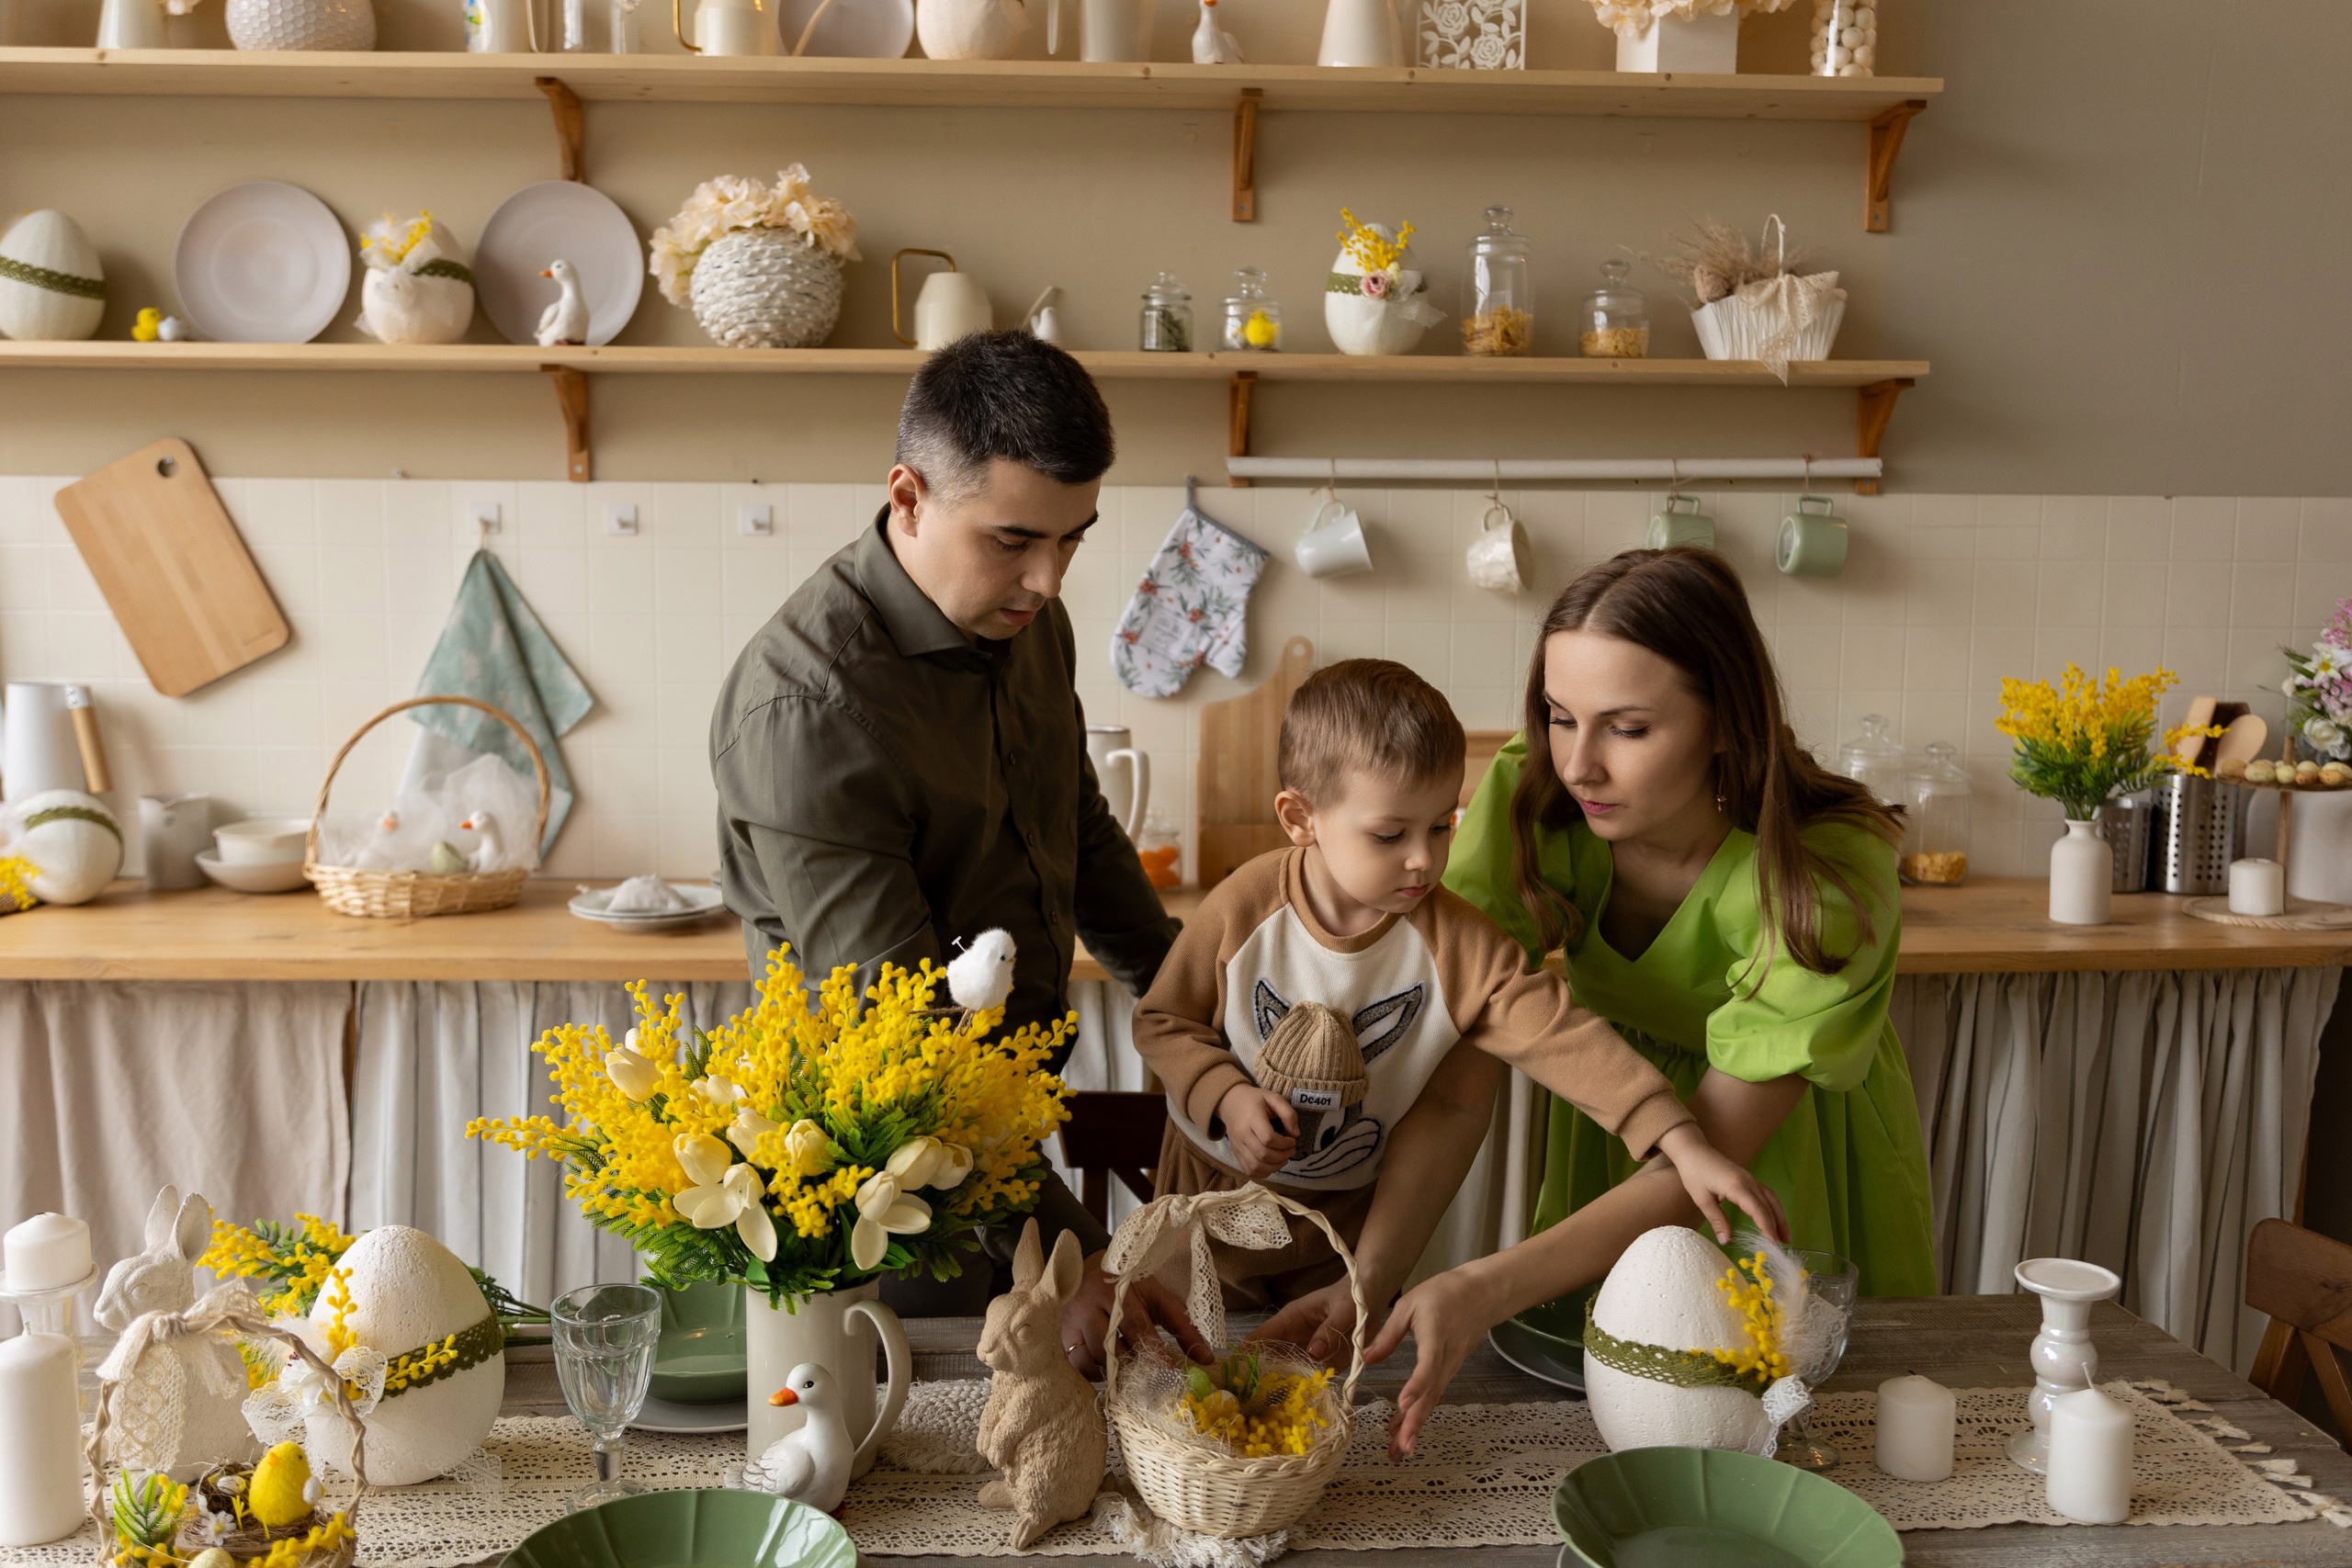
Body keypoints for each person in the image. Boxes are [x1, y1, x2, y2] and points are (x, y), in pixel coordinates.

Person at [1354, 547, 1937, 1456]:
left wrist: (1485, 1286)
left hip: (1771, 1165)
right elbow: (1462, 1074)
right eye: (1558, 717)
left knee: (1780, 1423)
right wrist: (1369, 1281)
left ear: (1722, 722)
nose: (1579, 764)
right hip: (1609, 1118)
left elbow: (1705, 1163)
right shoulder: (1533, 794)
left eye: (1626, 729)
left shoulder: (1826, 875)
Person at [709, 331, 1204, 1374]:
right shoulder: (809, 707)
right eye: (1013, 539)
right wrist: (1075, 1254)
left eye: (1072, 540)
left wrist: (1202, 1006)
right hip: (872, 1185)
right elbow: (901, 1048)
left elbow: (1077, 830)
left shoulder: (1029, 625)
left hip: (1004, 1134)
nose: (1046, 577)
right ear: (908, 496)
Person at [1132, 658, 1782, 1332]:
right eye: (1391, 834)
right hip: (1208, 1201)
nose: (1424, 858)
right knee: (1185, 1359)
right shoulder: (1242, 907)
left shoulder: (1457, 942)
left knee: (1321, 1371)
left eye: (1441, 825)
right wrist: (1228, 1096)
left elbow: (1562, 1036)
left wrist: (1679, 1138)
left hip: (1345, 1221)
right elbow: (1162, 1021)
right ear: (1301, 818)